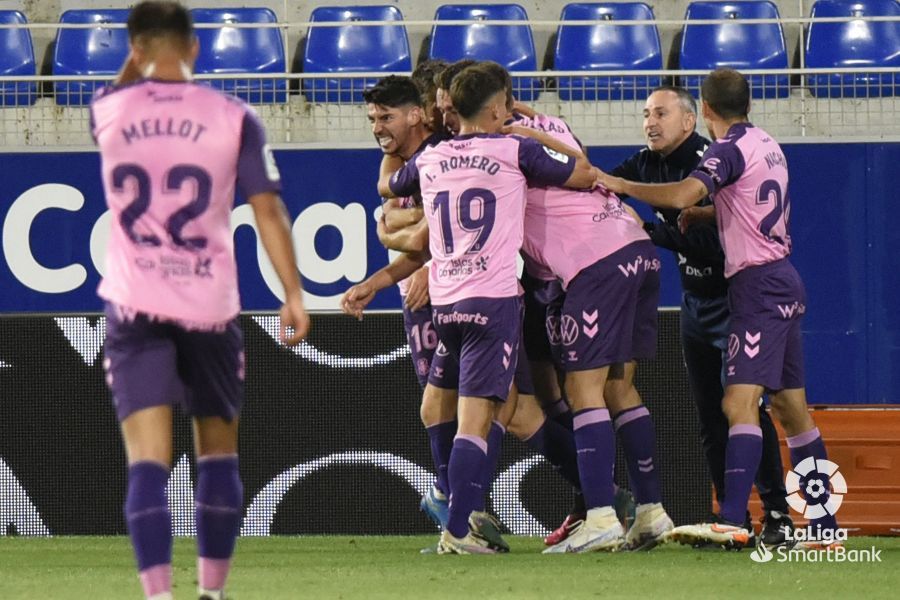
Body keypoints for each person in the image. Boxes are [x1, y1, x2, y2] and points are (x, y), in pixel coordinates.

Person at [91, 3, 309, 599]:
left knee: (147, 461)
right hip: (209, 304)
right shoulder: (233, 116)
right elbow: (268, 209)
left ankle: (158, 595)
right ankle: (211, 593)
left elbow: (116, 91)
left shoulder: (109, 111)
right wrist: (293, 293)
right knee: (217, 455)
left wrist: (135, 63)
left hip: (135, 305)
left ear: (135, 48)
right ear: (195, 47)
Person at [596, 68, 839, 550]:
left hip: (754, 288)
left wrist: (623, 185)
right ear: (747, 103)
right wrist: (708, 213)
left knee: (737, 404)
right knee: (792, 409)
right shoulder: (766, 143)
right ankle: (824, 524)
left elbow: (682, 192)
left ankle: (731, 519)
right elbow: (754, 204)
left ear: (704, 110)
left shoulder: (725, 150)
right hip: (784, 278)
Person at [379, 62, 596, 553]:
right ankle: (460, 530)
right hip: (493, 300)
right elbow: (583, 172)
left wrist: (389, 222)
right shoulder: (514, 148)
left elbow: (392, 186)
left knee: (453, 410)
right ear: (498, 107)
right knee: (477, 421)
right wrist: (530, 131)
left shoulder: (433, 157)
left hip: (446, 303)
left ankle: (460, 520)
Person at [504, 104, 674, 553]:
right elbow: (578, 160)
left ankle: (600, 517)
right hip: (635, 248)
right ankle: (651, 512)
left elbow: (580, 171)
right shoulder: (550, 124)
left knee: (582, 389)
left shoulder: (501, 143)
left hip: (595, 261)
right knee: (618, 387)